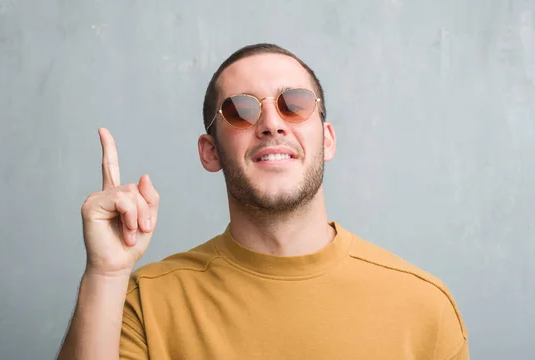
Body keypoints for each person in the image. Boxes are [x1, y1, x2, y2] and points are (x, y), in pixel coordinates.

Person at [57, 43, 469, 360]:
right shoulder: (146, 302)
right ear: (210, 151)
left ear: (326, 139)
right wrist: (106, 275)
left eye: (295, 104)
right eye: (240, 110)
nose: (271, 124)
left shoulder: (424, 306)